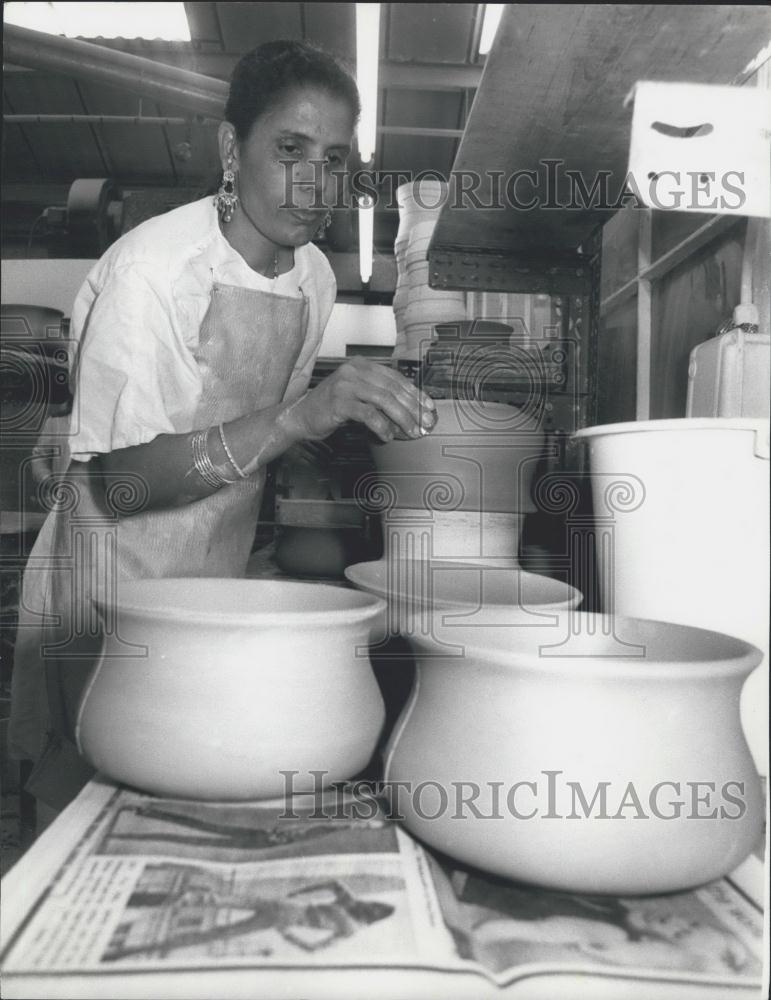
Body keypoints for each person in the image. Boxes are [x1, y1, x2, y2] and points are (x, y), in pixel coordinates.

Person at [8, 40, 436, 818]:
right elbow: (121, 480)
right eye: (290, 149)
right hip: (114, 578)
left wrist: (346, 424)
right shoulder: (155, 271)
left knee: (199, 768)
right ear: (230, 149)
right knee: (106, 782)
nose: (315, 183)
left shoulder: (311, 276)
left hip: (215, 566)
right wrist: (302, 415)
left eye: (336, 159)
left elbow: (265, 431)